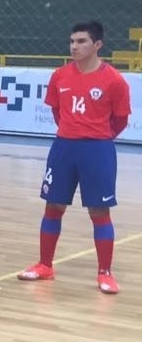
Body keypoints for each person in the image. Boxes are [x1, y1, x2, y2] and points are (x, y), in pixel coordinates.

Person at [18, 21, 131, 294]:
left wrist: (96, 136)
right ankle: (45, 265)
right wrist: (72, 133)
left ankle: (105, 273)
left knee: (99, 211)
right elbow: (57, 113)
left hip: (97, 150)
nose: (74, 46)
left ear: (98, 45)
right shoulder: (60, 76)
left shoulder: (114, 80)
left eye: (81, 41)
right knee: (53, 206)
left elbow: (120, 120)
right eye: (72, 41)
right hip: (63, 148)